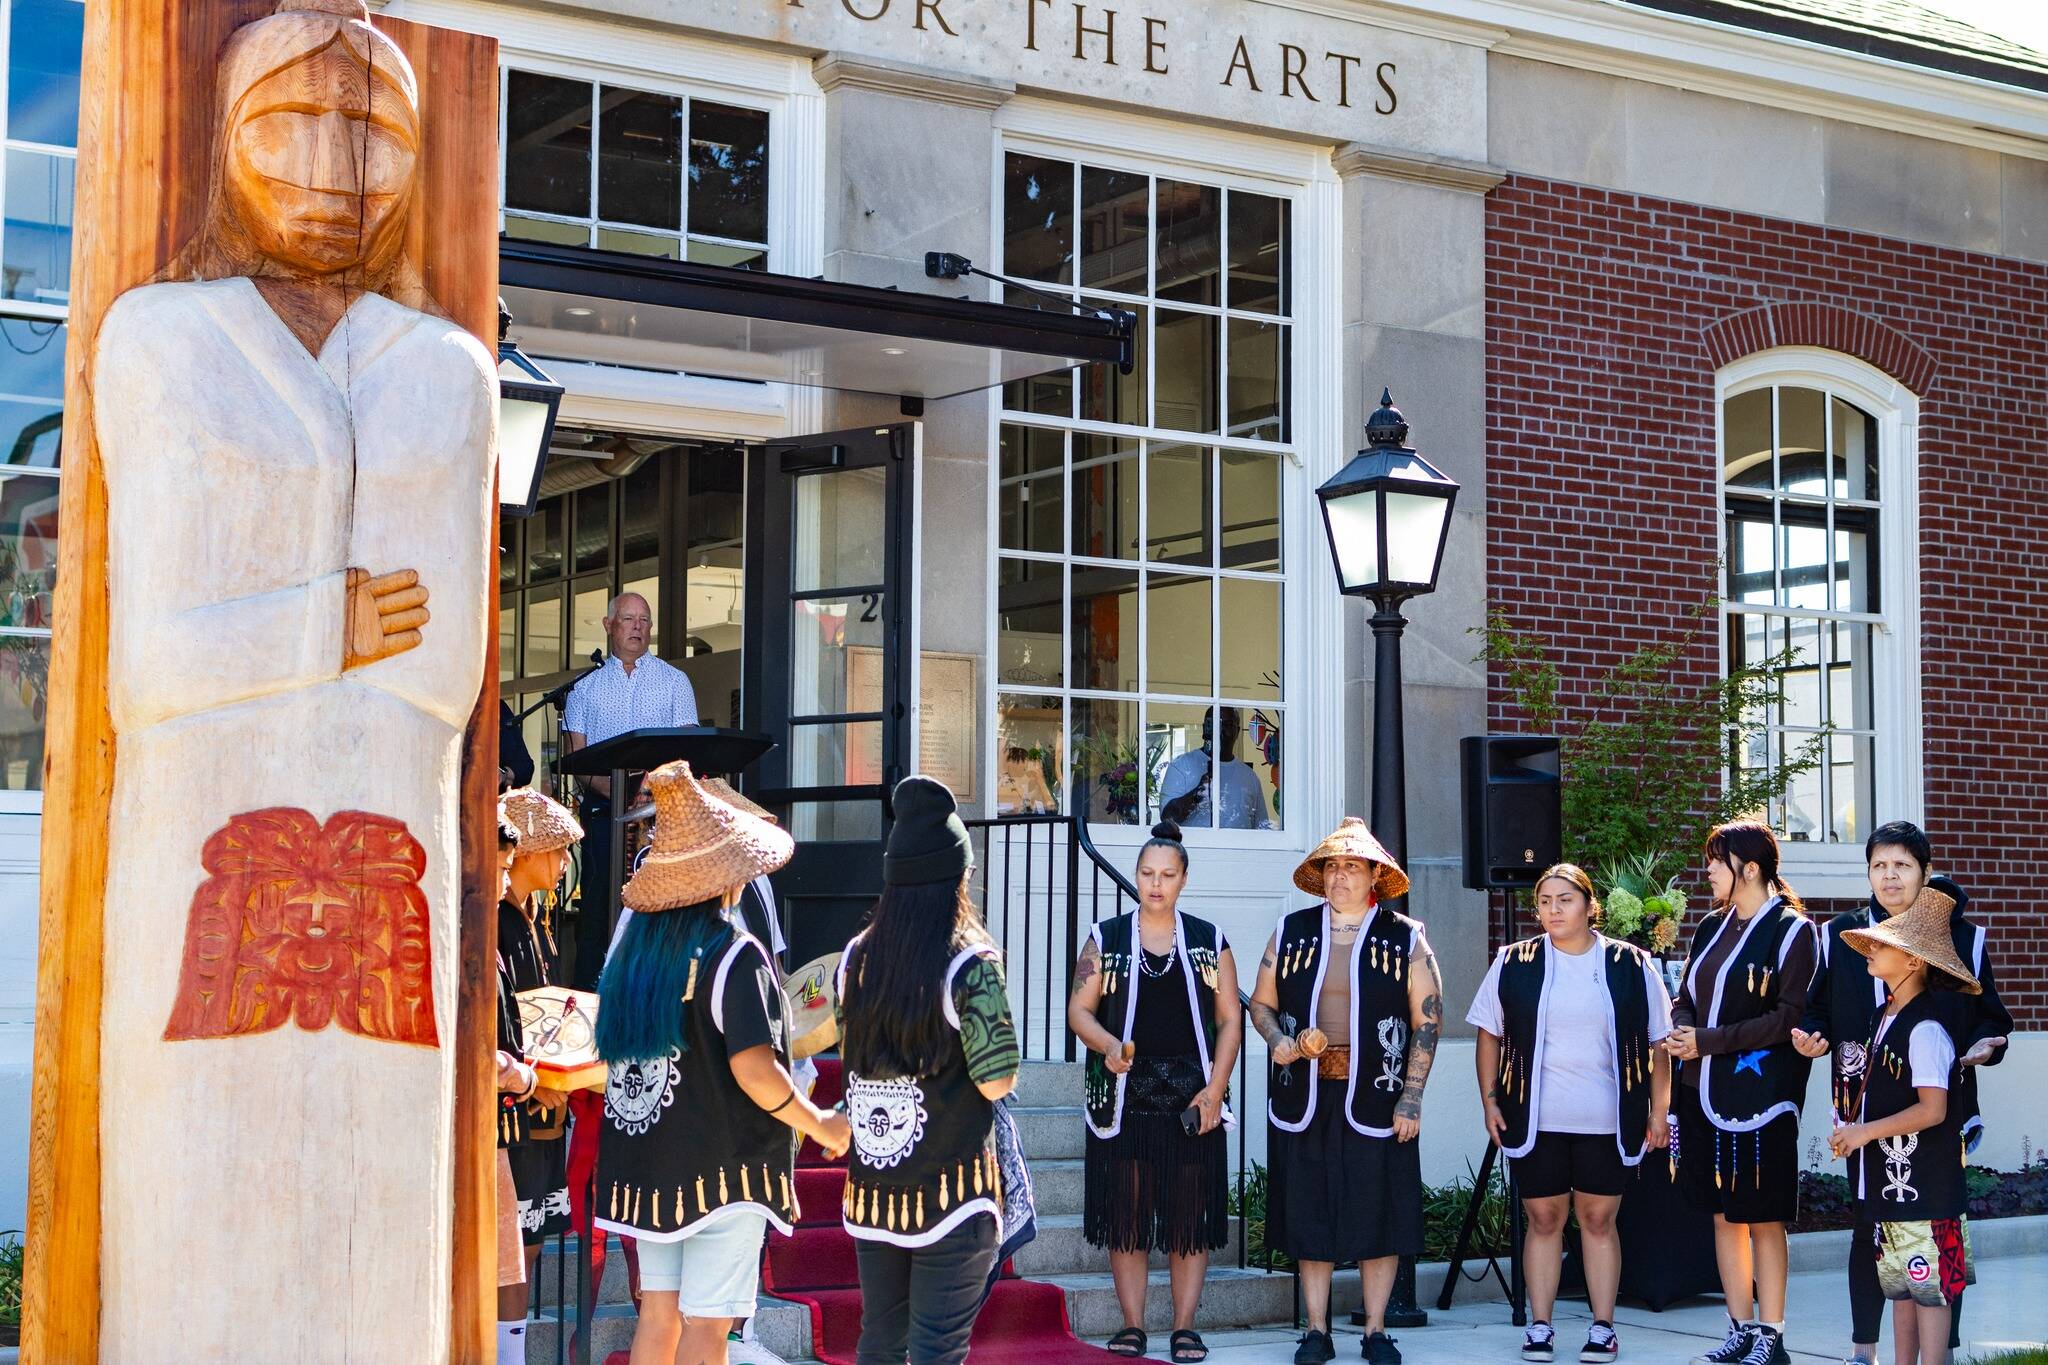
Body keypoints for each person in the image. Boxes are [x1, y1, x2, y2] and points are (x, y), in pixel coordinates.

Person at [593, 761, 850, 1365]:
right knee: (708, 1329)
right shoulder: (733, 956)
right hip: (722, 1165)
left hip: (647, 1154)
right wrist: (819, 1123)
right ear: (728, 877)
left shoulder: (633, 956)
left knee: (658, 1316)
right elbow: (755, 1070)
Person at [1794, 821, 2012, 1365]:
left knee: (1933, 1242)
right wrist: (1813, 1038)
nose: (1889, 877)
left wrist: (1988, 1043)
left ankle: (1944, 1351)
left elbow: (1993, 1020)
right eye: (1879, 866)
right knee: (1873, 1230)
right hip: (1862, 1111)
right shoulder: (1841, 936)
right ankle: (1865, 1347)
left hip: (1931, 1119)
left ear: (1925, 873)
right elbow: (1818, 1009)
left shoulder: (1961, 940)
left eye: (1902, 865)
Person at [837, 776, 1021, 1365]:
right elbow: (998, 1078)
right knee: (939, 1351)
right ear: (956, 878)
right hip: (953, 1190)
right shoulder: (970, 965)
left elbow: (852, 1057)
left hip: (873, 1188)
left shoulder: (855, 957)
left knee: (880, 1344)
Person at [1248, 817, 1443, 1365]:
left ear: (1374, 876)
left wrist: (1412, 1095)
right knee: (1311, 1213)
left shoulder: (1405, 936)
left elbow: (1427, 1019)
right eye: (1332, 866)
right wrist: (1280, 1039)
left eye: (1351, 867)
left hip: (1377, 1095)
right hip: (1306, 1094)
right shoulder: (1291, 930)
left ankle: (1376, 1330)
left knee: (1377, 1212)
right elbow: (1261, 1004)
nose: (1339, 877)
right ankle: (1316, 1330)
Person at [1466, 864, 1674, 1364]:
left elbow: (1659, 1042)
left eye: (1564, 900)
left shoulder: (1630, 963)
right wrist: (1489, 1099)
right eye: (1544, 902)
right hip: (1535, 1116)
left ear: (1588, 904)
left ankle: (1602, 1328)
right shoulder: (1513, 962)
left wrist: (1660, 1111)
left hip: (1607, 1117)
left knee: (1598, 1220)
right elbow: (1488, 1033)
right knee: (1543, 1218)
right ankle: (1540, 1326)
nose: (1553, 910)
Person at [1068, 821, 1243, 1362]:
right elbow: (1079, 1010)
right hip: (1125, 1096)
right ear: (1137, 876)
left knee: (1188, 1215)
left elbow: (1230, 1021)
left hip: (1192, 1097)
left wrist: (1215, 1090)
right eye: (1147, 873)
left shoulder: (1211, 941)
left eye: (1168, 874)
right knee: (1130, 1213)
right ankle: (1133, 1325)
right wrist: (1110, 1045)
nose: (1156, 883)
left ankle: (1185, 1326)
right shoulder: (1106, 938)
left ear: (1184, 879)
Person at [1664, 821, 1818, 1365]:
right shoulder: (1710, 926)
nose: (1708, 871)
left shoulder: (1793, 931)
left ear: (1749, 868)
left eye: (1716, 861)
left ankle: (1772, 1336)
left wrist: (1708, 1041)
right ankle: (1740, 1328)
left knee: (1763, 1215)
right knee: (1723, 1215)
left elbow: (1788, 1017)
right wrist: (1683, 1028)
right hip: (1700, 1090)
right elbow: (1685, 994)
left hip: (1760, 1098)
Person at [1824, 886, 1982, 1365]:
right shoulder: (1883, 1016)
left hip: (1927, 1191)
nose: (1870, 948)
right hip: (1893, 1192)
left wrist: (1863, 1133)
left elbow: (1933, 1109)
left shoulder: (1926, 1028)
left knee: (1930, 1290)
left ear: (1913, 962)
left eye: (1883, 943)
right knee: (1902, 1290)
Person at [562, 591, 700, 988]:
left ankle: (661, 995)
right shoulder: (584, 687)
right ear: (608, 626)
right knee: (599, 911)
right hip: (604, 814)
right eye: (628, 618)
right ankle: (591, 997)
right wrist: (621, 793)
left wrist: (649, 793)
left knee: (661, 910)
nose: (637, 626)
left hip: (661, 819)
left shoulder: (675, 682)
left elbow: (686, 753)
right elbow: (578, 759)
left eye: (644, 620)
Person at [499, 788, 584, 1305]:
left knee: (531, 1245)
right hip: (514, 1098)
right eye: (556, 851)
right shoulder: (500, 921)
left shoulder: (538, 919)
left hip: (546, 1093)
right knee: (512, 1245)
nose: (563, 863)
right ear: (524, 854)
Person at [494, 816, 541, 1365]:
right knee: (498, 1251)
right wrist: (520, 1075)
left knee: (507, 1251)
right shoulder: (474, 931)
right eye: (502, 867)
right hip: (483, 1119)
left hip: (498, 1122)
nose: (506, 883)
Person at [1158, 708, 1274, 830]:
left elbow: (1262, 828)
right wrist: (1196, 795)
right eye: (1214, 724)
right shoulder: (1181, 766)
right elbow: (1167, 818)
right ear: (1204, 729)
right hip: (1195, 849)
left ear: (1237, 731)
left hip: (1239, 849)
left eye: (1228, 725)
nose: (1220, 730)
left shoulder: (1250, 777)